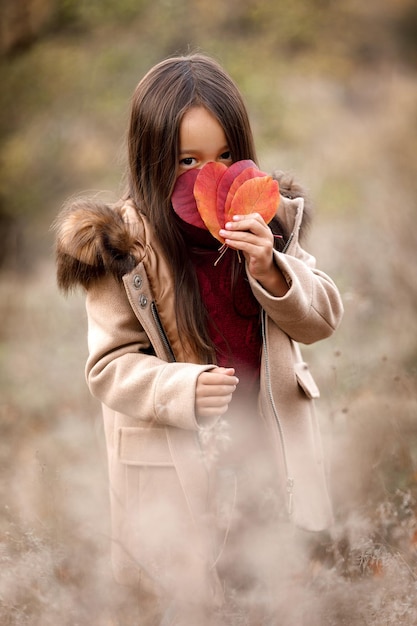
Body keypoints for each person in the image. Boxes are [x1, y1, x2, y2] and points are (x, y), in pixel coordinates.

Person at [54, 53, 343, 625]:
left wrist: (272, 270)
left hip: (263, 448)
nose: (207, 175)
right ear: (151, 159)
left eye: (225, 156)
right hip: (175, 459)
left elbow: (323, 317)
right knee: (187, 599)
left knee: (262, 587)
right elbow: (108, 366)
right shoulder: (122, 245)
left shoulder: (267, 221)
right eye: (186, 161)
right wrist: (180, 388)